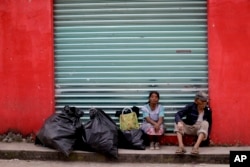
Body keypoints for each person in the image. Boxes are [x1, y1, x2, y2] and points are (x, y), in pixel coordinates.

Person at [174, 91, 212, 155]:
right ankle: (181, 146)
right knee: (177, 122)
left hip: (199, 130)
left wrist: (207, 137)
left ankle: (195, 148)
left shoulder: (208, 110)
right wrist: (179, 122)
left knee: (206, 123)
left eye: (205, 101)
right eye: (202, 101)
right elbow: (177, 114)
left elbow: (210, 124)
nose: (204, 103)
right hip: (188, 127)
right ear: (196, 101)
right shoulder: (190, 106)